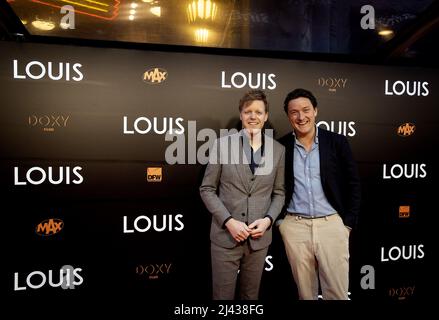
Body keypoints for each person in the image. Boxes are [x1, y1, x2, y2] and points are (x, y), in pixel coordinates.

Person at [200, 89, 285, 300]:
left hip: (259, 241)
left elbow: (279, 193)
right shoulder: (222, 145)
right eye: (248, 111)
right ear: (241, 115)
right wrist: (229, 221)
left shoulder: (278, 150)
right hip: (225, 238)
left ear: (265, 116)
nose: (253, 116)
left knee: (251, 297)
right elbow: (207, 189)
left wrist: (267, 221)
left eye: (258, 112)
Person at [278, 88, 361, 300]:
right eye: (294, 112)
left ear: (315, 111)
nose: (301, 116)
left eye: (306, 110)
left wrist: (347, 224)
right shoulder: (280, 147)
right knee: (305, 294)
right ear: (288, 116)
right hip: (295, 227)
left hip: (332, 225)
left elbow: (354, 184)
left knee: (337, 293)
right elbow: (274, 188)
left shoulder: (337, 142)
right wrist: (281, 223)